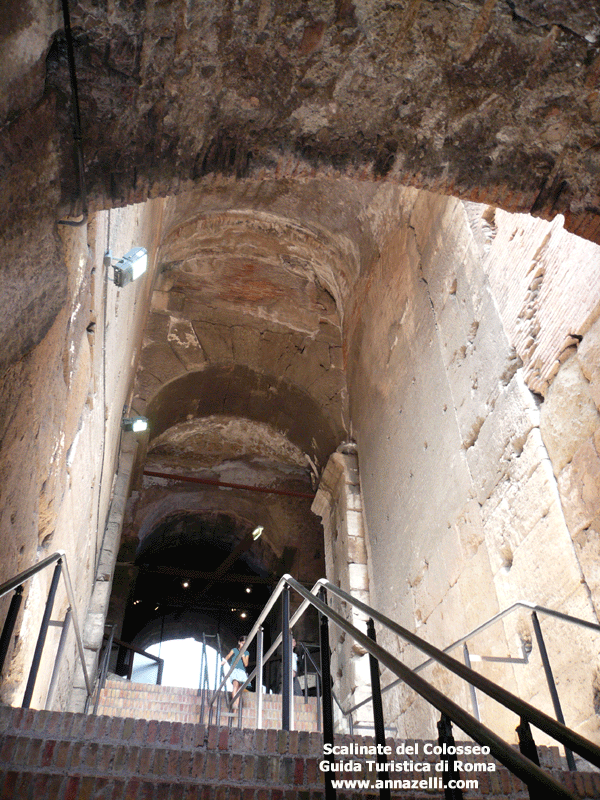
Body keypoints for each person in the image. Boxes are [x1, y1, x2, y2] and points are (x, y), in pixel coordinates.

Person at [221, 636, 249, 710]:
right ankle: (234, 704)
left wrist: (243, 656)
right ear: (239, 643)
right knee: (235, 686)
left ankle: (235, 708)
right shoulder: (234, 650)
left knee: (239, 690)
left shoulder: (246, 653)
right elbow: (228, 655)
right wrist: (224, 661)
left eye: (245, 644)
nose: (243, 645)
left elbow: (246, 664)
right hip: (234, 670)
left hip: (242, 671)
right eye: (242, 643)